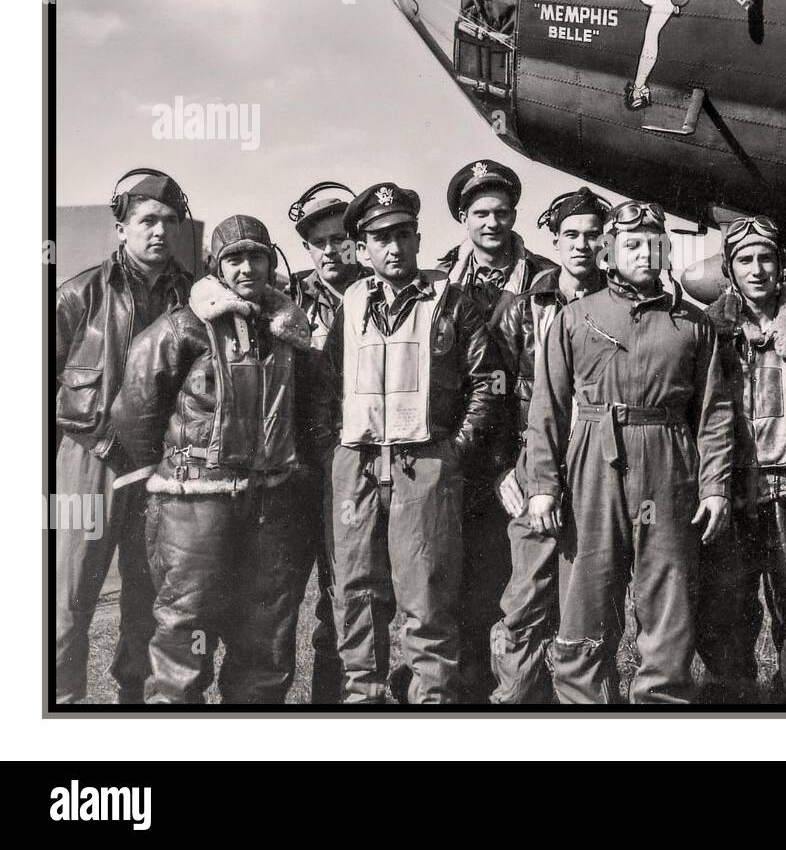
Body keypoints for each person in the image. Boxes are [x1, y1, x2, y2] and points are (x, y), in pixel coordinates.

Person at [525, 200, 733, 703]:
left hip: (668, 465)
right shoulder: (574, 319)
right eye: (632, 244)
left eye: (655, 243)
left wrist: (715, 486)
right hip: (596, 462)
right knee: (587, 593)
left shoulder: (694, 324)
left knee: (666, 594)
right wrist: (543, 487)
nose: (645, 253)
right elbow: (547, 407)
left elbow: (713, 412)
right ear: (608, 251)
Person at [111, 215, 321, 703]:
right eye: (235, 258)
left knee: (266, 634)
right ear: (217, 265)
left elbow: (310, 411)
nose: (247, 267)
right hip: (195, 506)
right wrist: (172, 472)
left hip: (269, 505)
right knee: (187, 627)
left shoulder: (287, 329)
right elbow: (136, 408)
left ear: (272, 261)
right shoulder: (184, 327)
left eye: (257, 256)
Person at [317, 183, 502, 703]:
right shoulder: (350, 303)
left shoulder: (451, 300)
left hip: (424, 464)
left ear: (418, 238)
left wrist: (455, 450)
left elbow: (487, 381)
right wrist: (338, 447)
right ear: (363, 248)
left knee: (426, 600)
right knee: (356, 596)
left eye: (402, 235)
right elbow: (328, 384)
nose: (393, 248)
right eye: (380, 239)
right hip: (356, 462)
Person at [53, 169, 193, 704]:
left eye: (170, 222)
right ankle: (60, 707)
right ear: (121, 227)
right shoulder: (78, 295)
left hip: (163, 469)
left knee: (149, 599)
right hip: (89, 461)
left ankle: (132, 710)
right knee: (68, 598)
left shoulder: (193, 296)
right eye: (147, 220)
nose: (160, 231)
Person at [434, 159, 555, 702]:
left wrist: (521, 461)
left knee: (518, 584)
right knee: (454, 581)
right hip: (458, 451)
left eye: (502, 212)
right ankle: (463, 691)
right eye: (480, 212)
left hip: (521, 452)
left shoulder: (546, 279)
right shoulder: (437, 281)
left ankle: (522, 694)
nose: (492, 223)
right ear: (463, 217)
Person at [699, 216, 786, 703]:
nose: (757, 269)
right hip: (732, 492)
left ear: (781, 264)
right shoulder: (709, 328)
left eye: (766, 258)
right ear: (730, 270)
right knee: (727, 611)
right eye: (744, 260)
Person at [488, 187, 611, 703]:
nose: (582, 246)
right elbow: (491, 389)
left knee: (588, 600)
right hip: (533, 461)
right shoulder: (522, 308)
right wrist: (503, 470)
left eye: (593, 235)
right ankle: (515, 702)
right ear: (554, 241)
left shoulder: (622, 303)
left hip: (602, 464)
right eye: (571, 236)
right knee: (525, 597)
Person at [284, 182, 371, 703]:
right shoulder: (286, 298)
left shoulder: (382, 292)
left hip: (364, 465)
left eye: (341, 238)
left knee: (353, 595)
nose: (331, 251)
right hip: (300, 470)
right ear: (306, 248)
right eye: (319, 242)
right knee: (294, 598)